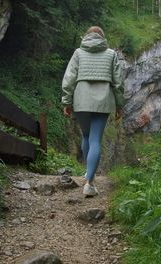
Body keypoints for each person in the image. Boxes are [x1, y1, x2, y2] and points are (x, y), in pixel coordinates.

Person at [61, 26, 125, 197]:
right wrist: (120, 105)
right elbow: (118, 83)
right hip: (103, 101)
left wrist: (67, 102)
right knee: (96, 139)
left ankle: (89, 174)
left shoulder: (78, 53)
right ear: (102, 38)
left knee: (86, 136)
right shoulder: (111, 54)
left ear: (86, 37)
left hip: (81, 100)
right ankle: (89, 182)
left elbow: (69, 79)